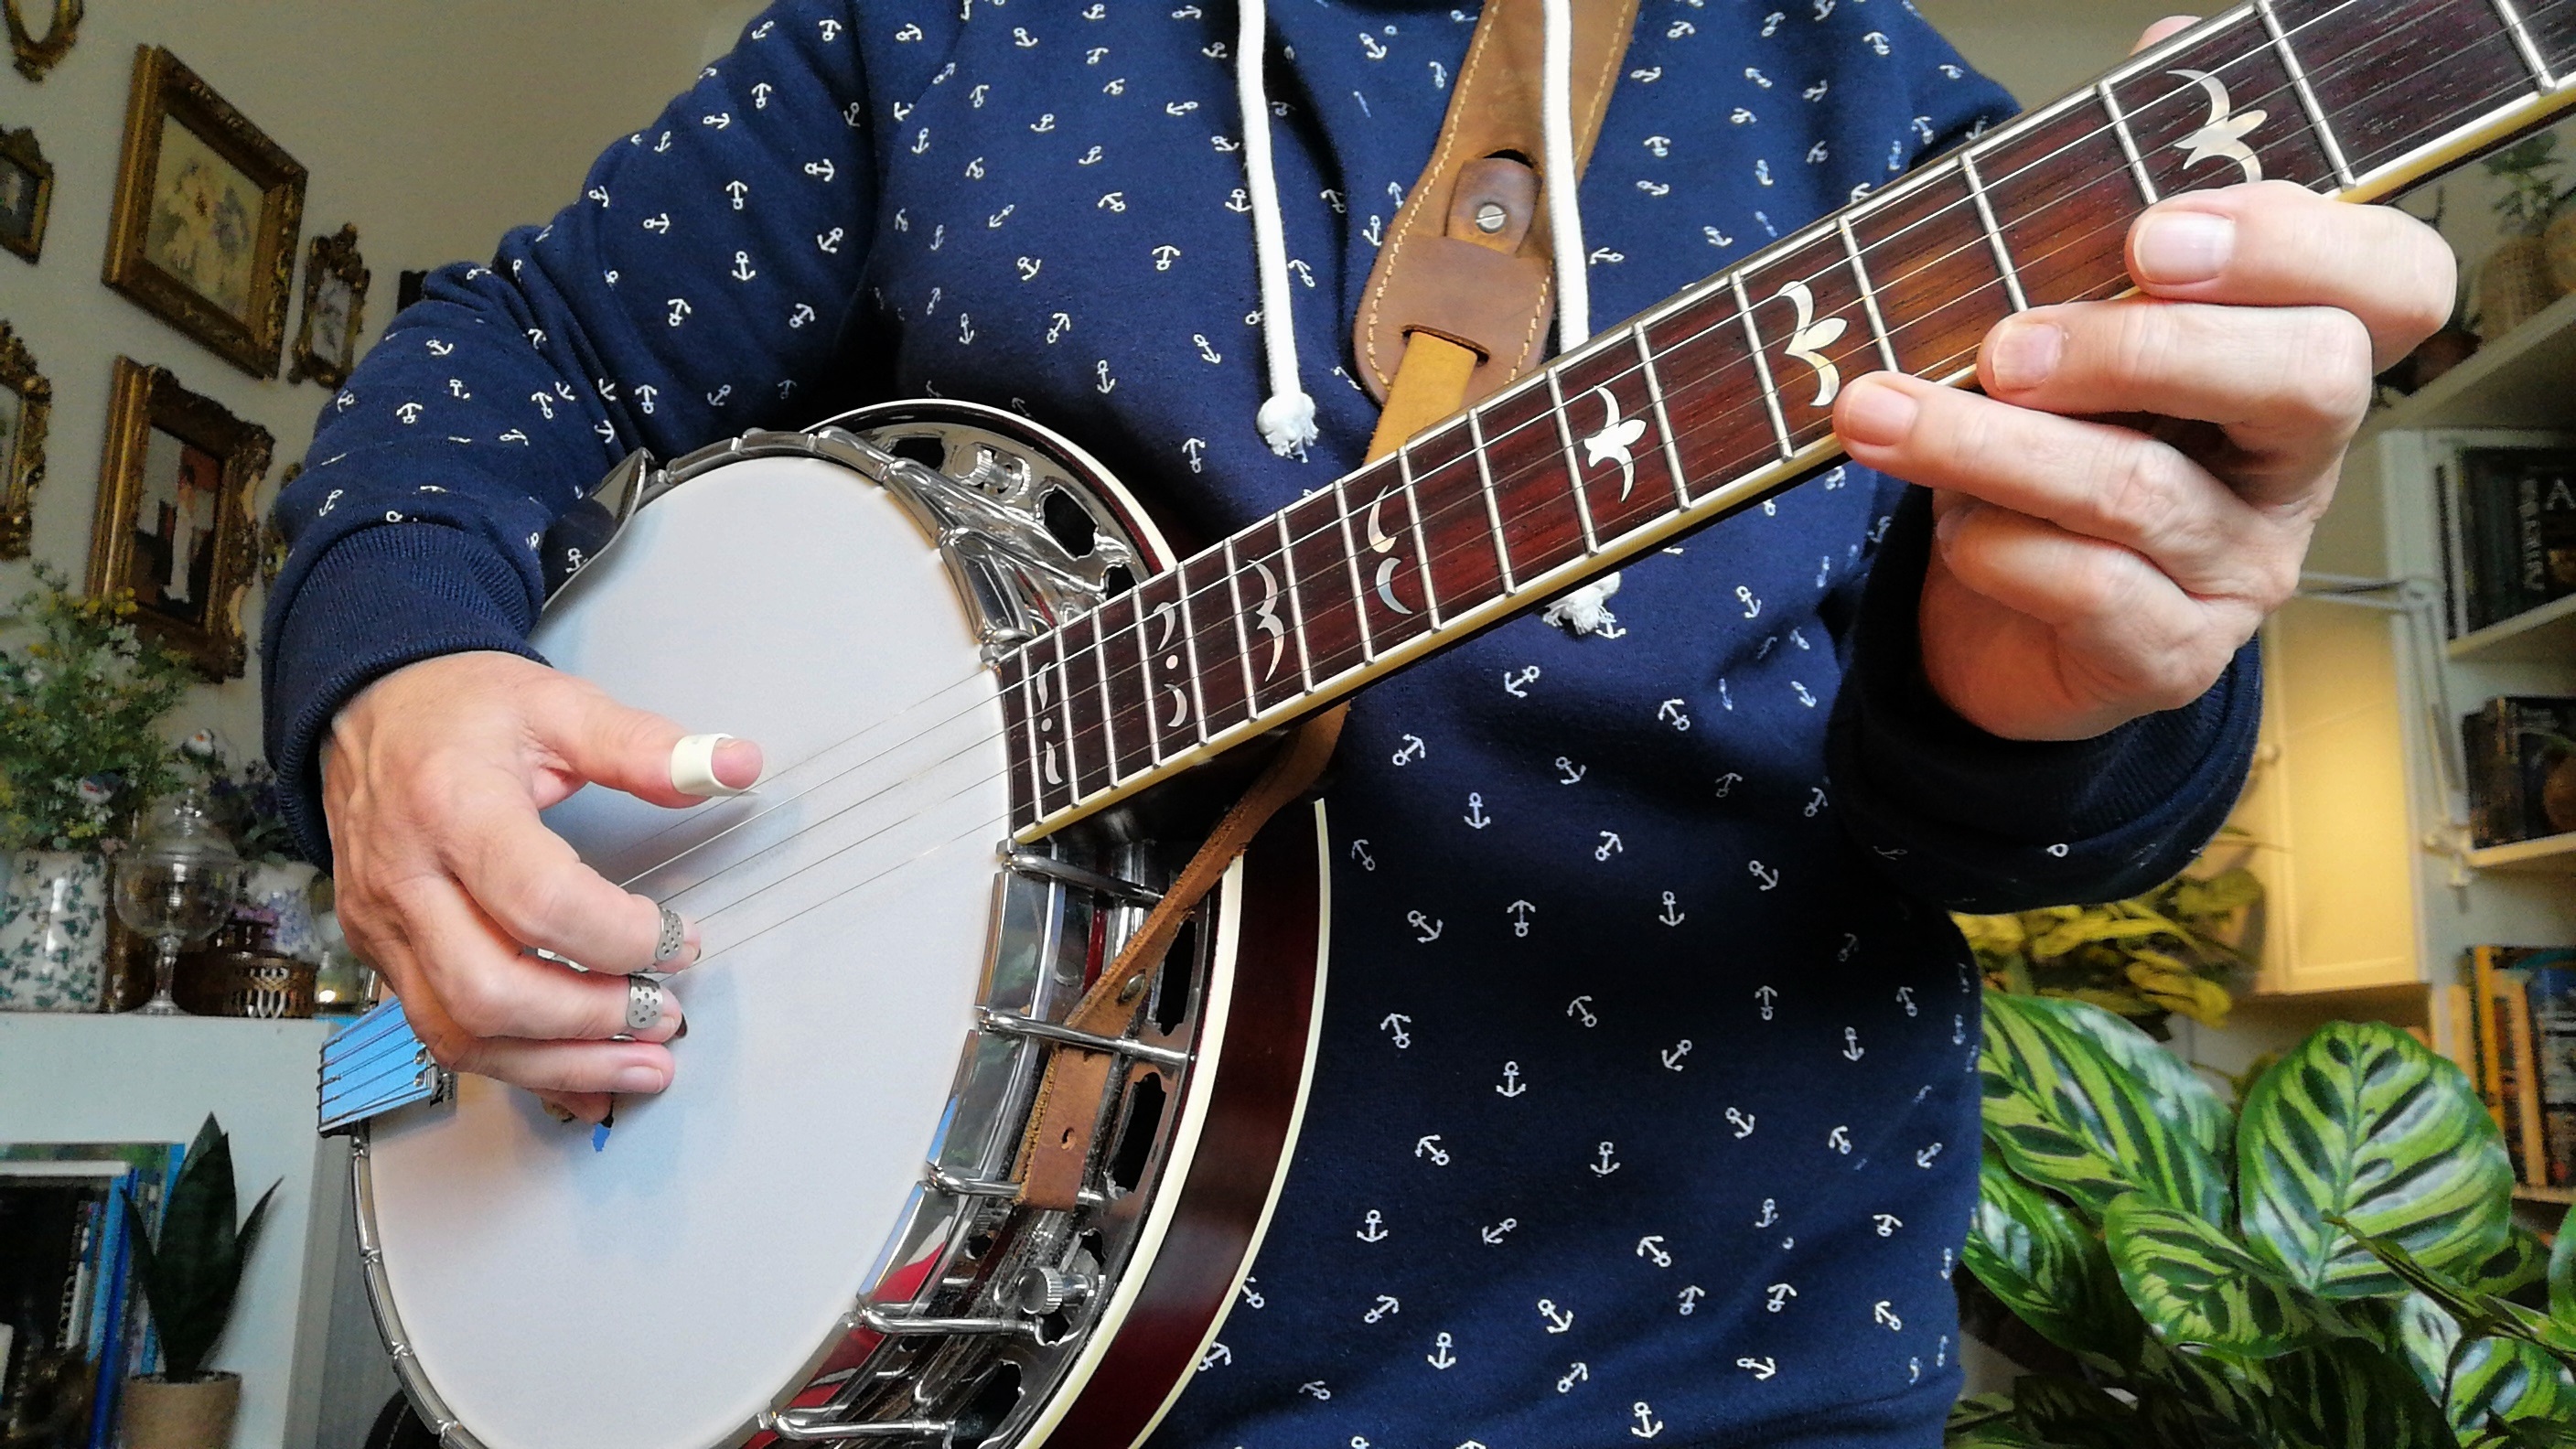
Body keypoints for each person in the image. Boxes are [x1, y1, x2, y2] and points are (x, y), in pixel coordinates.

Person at [261, 3, 2453, 1445]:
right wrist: (394, 678)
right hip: (881, 1382)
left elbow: (2050, 816)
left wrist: (2059, 686)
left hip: (1682, 1373)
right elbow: (508, 358)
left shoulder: (1907, 132)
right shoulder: (931, 25)